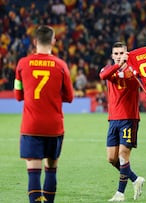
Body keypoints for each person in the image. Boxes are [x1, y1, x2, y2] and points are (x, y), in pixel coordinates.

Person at [99, 42, 146, 202]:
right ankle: (135, 179)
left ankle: (120, 193)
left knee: (124, 156)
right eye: (116, 54)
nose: (118, 56)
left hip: (129, 118)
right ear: (112, 55)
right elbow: (103, 76)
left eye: (121, 53)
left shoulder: (134, 72)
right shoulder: (107, 70)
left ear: (127, 53)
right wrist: (120, 64)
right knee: (112, 159)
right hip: (113, 119)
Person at [14, 25, 74, 203]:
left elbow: (18, 95)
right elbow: (70, 97)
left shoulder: (22, 64)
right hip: (54, 127)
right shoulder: (61, 65)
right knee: (51, 169)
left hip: (31, 126)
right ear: (53, 41)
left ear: (35, 41)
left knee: (33, 173)